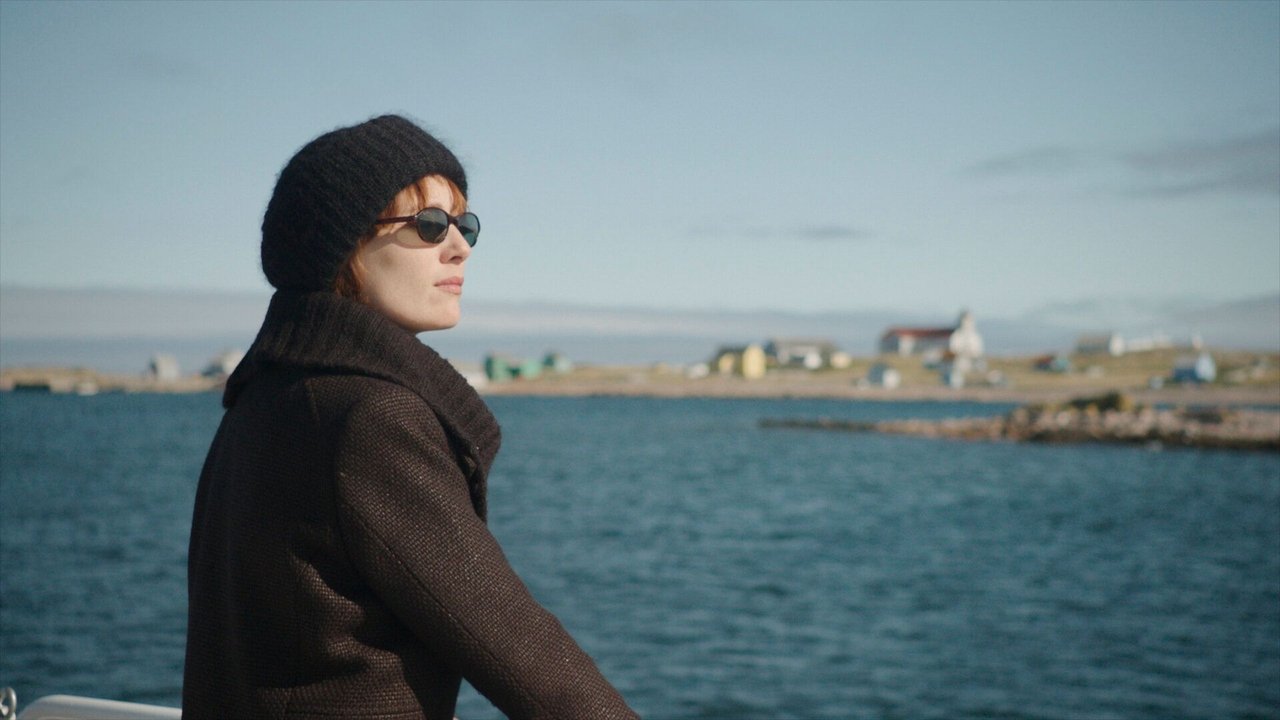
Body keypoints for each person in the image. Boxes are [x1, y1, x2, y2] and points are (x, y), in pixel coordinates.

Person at [183, 115, 639, 720]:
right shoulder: (371, 417)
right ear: (342, 249)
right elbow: (513, 642)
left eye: (464, 224)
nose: (460, 246)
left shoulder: (267, 393)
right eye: (428, 226)